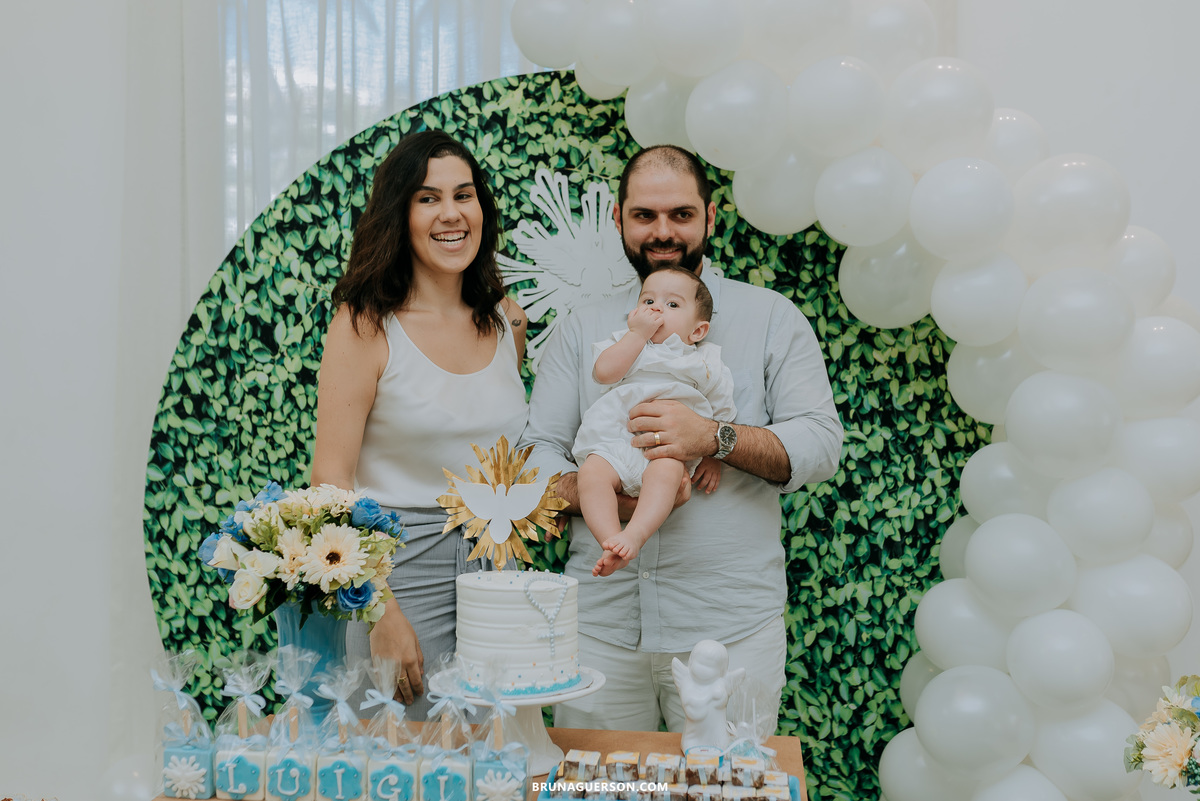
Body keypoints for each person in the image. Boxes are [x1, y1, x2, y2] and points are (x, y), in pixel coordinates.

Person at [522, 144, 843, 734]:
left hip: (728, 631)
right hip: (599, 630)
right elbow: (535, 452)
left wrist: (711, 437)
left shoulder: (771, 317)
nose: (663, 232)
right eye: (644, 215)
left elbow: (820, 443)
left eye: (681, 215)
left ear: (710, 218)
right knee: (599, 793)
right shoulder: (585, 328)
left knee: (726, 793)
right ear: (618, 220)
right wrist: (600, 493)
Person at [310, 129, 528, 719]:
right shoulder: (364, 325)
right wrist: (378, 609)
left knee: (496, 761)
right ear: (398, 213)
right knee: (402, 763)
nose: (451, 214)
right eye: (428, 198)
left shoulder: (507, 324)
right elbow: (329, 481)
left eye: (464, 195)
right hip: (400, 571)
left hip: (499, 568)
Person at [573, 267, 735, 577]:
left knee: (668, 474)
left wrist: (716, 457)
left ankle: (634, 535)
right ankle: (610, 540)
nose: (656, 308)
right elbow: (604, 373)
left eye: (672, 304)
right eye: (648, 300)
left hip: (669, 450)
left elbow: (721, 411)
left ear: (698, 331)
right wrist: (636, 335)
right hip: (616, 440)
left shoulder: (705, 361)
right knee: (591, 474)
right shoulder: (626, 342)